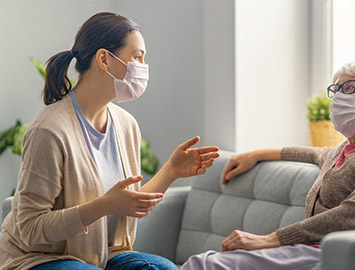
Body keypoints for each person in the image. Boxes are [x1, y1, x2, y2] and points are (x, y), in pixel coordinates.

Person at [0, 12, 219, 270]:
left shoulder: (126, 125)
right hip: (39, 258)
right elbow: (30, 228)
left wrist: (171, 170)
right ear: (104, 59)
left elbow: (128, 203)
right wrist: (102, 205)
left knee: (164, 268)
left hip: (103, 255)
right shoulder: (49, 130)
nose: (142, 66)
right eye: (137, 57)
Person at [181, 57, 355, 269]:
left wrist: (270, 239)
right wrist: (256, 154)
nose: (338, 97)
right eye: (336, 89)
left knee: (203, 265)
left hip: (342, 257)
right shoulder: (341, 151)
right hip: (314, 251)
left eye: (349, 88)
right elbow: (309, 153)